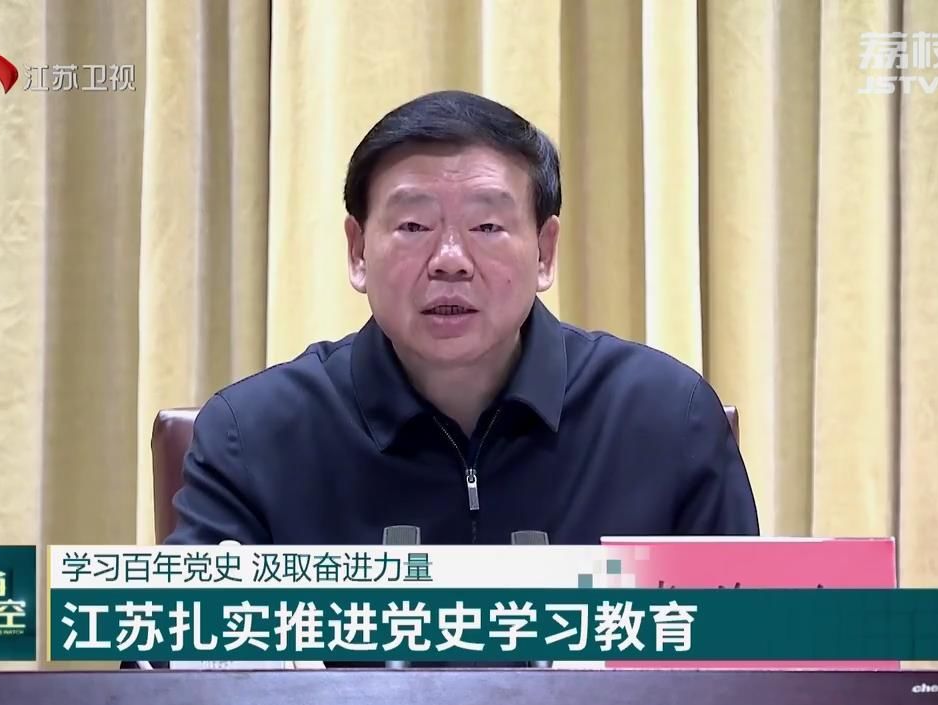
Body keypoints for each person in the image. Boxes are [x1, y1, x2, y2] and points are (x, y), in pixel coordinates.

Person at [165, 90, 759, 548]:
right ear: (358, 251)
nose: (450, 260)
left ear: (545, 252)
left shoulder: (665, 418)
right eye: (413, 226)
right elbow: (175, 660)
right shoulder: (253, 434)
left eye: (487, 226)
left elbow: (750, 650)